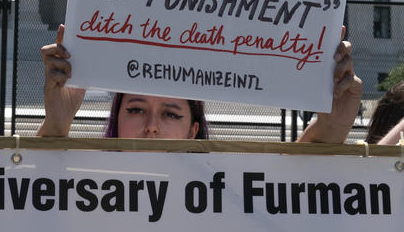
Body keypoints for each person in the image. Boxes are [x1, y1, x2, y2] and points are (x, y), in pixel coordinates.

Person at [37, 24, 362, 143]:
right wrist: (54, 126)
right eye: (135, 109)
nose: (151, 127)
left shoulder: (225, 195)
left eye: (171, 114)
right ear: (116, 117)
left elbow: (289, 198)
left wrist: (330, 128)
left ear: (194, 129)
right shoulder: (83, 186)